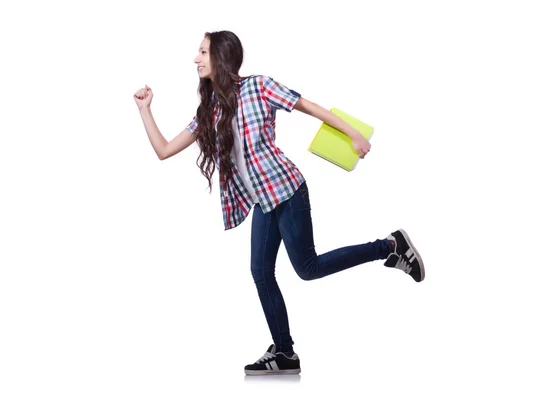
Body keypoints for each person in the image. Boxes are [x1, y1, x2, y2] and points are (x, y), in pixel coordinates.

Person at [133, 30, 425, 376]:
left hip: (287, 190)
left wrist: (354, 134)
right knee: (260, 272)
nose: (196, 59)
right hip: (264, 201)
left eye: (202, 52)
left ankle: (390, 246)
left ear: (222, 56)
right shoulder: (211, 109)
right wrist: (145, 110)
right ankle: (284, 353)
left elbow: (309, 107)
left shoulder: (258, 86)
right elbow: (165, 150)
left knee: (307, 268)